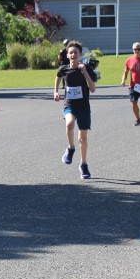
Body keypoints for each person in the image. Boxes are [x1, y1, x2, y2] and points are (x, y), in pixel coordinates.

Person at [54, 41, 97, 179]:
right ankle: (71, 148)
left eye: (75, 52)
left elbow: (92, 89)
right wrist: (55, 91)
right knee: (69, 124)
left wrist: (84, 72)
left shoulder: (86, 68)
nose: (73, 55)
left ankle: (83, 164)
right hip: (70, 105)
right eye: (71, 52)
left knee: (82, 138)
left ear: (80, 55)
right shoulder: (64, 69)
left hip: (83, 107)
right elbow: (58, 76)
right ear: (67, 55)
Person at [120, 42, 140, 125]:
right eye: (135, 49)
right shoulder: (129, 60)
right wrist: (123, 80)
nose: (136, 51)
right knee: (133, 102)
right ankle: (138, 120)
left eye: (138, 49)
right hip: (133, 85)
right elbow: (126, 72)